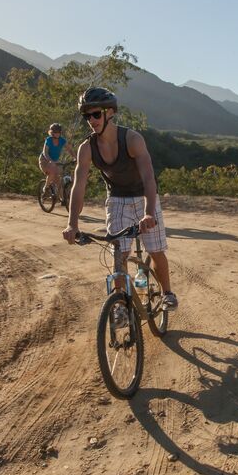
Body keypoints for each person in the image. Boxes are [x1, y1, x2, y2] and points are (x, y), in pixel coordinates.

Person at [62, 87, 177, 311]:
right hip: (116, 199)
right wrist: (72, 223)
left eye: (96, 114)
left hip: (144, 196)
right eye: (87, 116)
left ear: (110, 113)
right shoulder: (86, 148)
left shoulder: (133, 139)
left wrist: (149, 213)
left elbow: (149, 179)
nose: (91, 120)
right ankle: (122, 307)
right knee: (118, 255)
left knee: (155, 250)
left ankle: (167, 292)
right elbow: (79, 186)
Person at [39, 123, 68, 199]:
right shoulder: (48, 140)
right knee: (52, 173)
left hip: (54, 162)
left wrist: (76, 158)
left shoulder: (62, 140)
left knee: (59, 181)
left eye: (58, 132)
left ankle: (64, 200)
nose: (57, 133)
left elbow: (70, 150)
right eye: (55, 132)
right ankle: (45, 188)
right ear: (52, 132)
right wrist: (50, 161)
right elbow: (45, 152)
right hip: (44, 160)